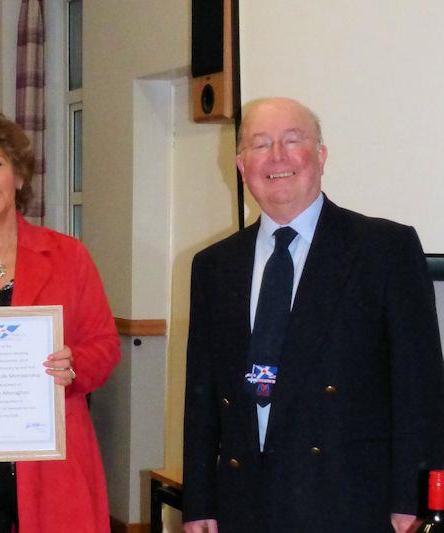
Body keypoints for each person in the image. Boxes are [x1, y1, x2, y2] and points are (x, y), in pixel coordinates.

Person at [182, 97, 444, 533]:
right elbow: (202, 394)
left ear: (320, 157)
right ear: (242, 166)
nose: (277, 157)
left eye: (292, 141)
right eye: (260, 145)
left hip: (351, 499)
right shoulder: (214, 265)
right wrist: (199, 502)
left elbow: (420, 388)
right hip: (244, 502)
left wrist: (412, 497)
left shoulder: (383, 249)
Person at [0, 105, 120, 532]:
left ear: (19, 175)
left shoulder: (69, 257)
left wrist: (75, 366)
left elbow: (105, 344)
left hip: (55, 460)